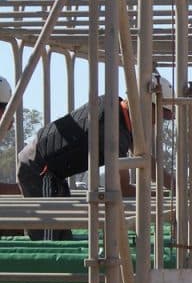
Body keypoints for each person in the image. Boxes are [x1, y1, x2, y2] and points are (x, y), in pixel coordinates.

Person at [17, 76, 174, 240]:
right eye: (160, 116)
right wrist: (164, 197)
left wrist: (175, 187)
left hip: (50, 171)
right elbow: (123, 187)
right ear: (145, 105)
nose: (156, 123)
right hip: (39, 169)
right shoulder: (112, 128)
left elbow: (145, 158)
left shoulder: (117, 110)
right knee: (48, 242)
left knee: (62, 236)